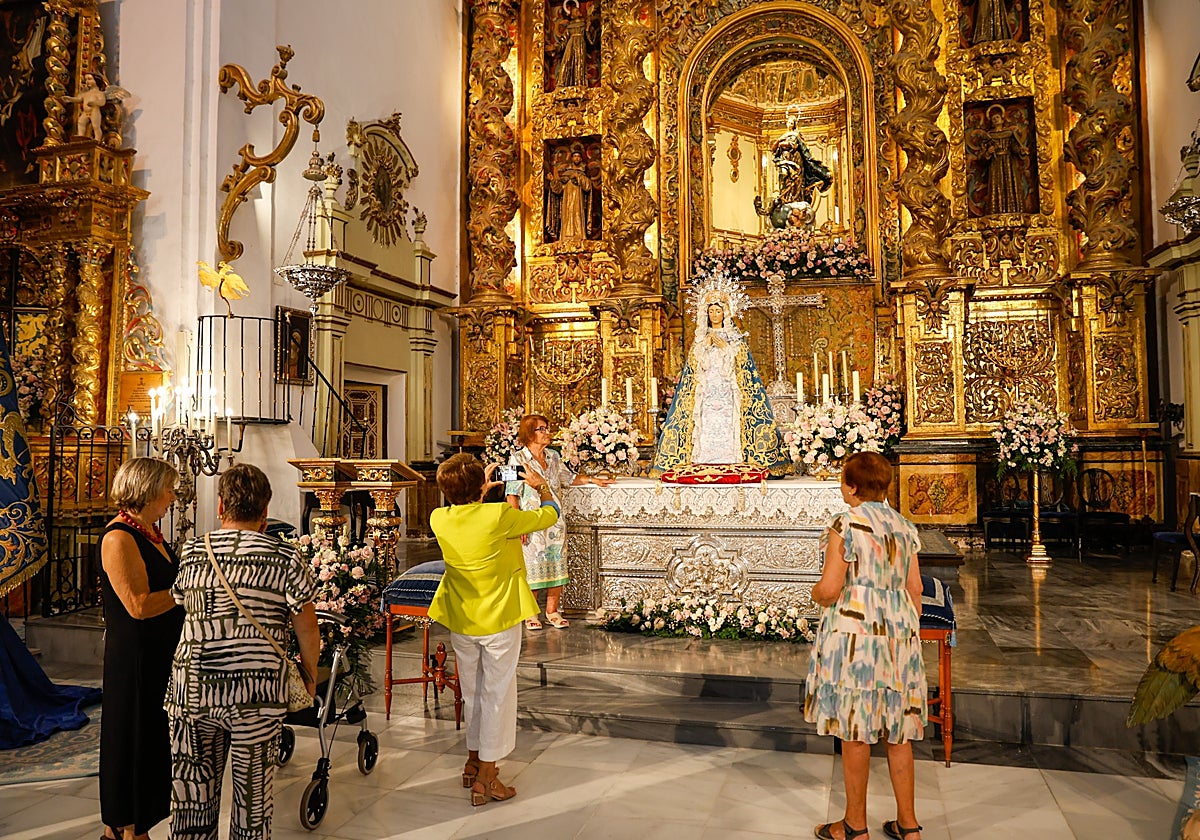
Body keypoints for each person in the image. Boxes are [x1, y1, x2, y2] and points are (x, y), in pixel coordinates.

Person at [166, 463, 320, 840]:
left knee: (191, 795)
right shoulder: (284, 557)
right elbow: (307, 626)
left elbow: (183, 602)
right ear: (265, 510)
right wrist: (310, 677)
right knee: (252, 801)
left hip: (193, 689)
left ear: (220, 506)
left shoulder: (193, 551)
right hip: (256, 690)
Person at [805, 452, 926, 840]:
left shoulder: (847, 523)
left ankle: (855, 826)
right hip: (898, 633)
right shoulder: (905, 526)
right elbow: (916, 590)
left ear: (853, 487)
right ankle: (908, 825)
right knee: (898, 729)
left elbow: (829, 587)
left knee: (855, 728)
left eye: (843, 481)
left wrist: (815, 595)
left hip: (855, 634)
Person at [428, 453, 559, 806]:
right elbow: (550, 515)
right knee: (497, 694)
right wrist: (541, 485)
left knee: (471, 691)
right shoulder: (499, 515)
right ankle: (487, 777)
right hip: (499, 616)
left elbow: (463, 508)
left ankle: (472, 760)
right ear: (481, 486)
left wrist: (475, 488)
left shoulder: (439, 518)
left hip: (462, 617)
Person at [98, 457, 185, 840]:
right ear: (147, 490)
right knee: (130, 738)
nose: (172, 496)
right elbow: (138, 604)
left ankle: (139, 826)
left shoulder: (150, 533)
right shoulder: (119, 537)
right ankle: (122, 828)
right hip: (134, 657)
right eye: (168, 488)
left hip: (158, 655)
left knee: (151, 740)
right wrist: (185, 591)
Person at [650, 272, 789, 476]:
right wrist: (704, 347)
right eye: (711, 311)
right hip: (707, 391)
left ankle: (732, 457)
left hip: (727, 390)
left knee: (728, 419)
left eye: (718, 310)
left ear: (725, 312)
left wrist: (726, 348)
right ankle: (703, 458)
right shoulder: (700, 339)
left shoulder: (735, 338)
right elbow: (694, 367)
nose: (715, 315)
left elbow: (743, 366)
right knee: (705, 420)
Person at [506, 414, 611, 630]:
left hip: (554, 520)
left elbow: (568, 477)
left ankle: (552, 611)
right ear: (529, 433)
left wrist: (593, 479)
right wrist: (518, 524)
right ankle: (531, 612)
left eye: (547, 428)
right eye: (541, 429)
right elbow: (511, 493)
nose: (547, 432)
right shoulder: (517, 459)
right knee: (532, 566)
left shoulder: (553, 456)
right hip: (531, 521)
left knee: (556, 565)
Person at [980, 104, 1027, 215]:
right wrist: (988, 152)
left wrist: (1021, 151)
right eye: (993, 118)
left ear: (1002, 118)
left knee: (1010, 184)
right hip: (995, 164)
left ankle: (1013, 211)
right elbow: (981, 157)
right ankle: (996, 211)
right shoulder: (989, 136)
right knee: (996, 186)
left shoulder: (1009, 134)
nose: (995, 120)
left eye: (997, 117)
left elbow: (1015, 148)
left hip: (1008, 162)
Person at [545, 149, 594, 243]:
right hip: (566, 201)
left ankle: (580, 237)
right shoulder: (565, 175)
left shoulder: (582, 174)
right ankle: (565, 237)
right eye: (575, 156)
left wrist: (577, 176)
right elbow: (558, 189)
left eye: (578, 156)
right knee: (567, 219)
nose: (577, 158)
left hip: (579, 201)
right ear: (572, 158)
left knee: (578, 218)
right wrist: (552, 180)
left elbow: (588, 187)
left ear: (581, 159)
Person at [65, 73, 105, 142]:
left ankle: (97, 140)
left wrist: (95, 103)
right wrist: (70, 99)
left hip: (94, 111)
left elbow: (102, 102)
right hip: (85, 112)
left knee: (95, 126)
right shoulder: (86, 93)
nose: (87, 81)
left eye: (89, 79)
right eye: (86, 79)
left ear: (96, 81)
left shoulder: (99, 93)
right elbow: (79, 99)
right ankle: (81, 136)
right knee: (81, 122)